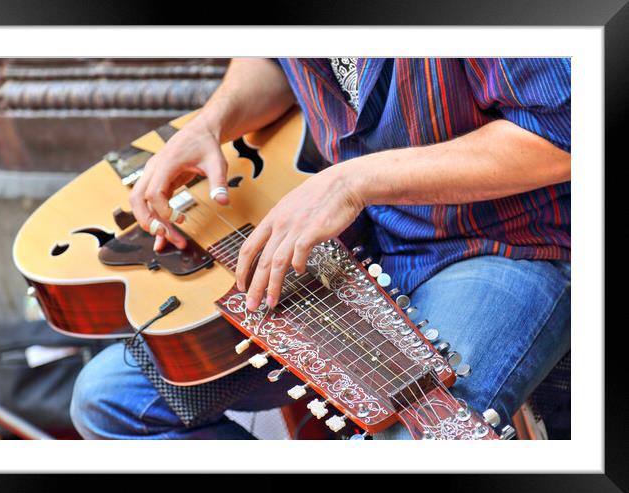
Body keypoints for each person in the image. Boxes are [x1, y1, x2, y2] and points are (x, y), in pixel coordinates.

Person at [70, 58, 571, 439]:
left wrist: (353, 182)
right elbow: (272, 60)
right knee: (108, 399)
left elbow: (567, 132)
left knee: (412, 434)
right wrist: (211, 122)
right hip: (357, 239)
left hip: (507, 241)